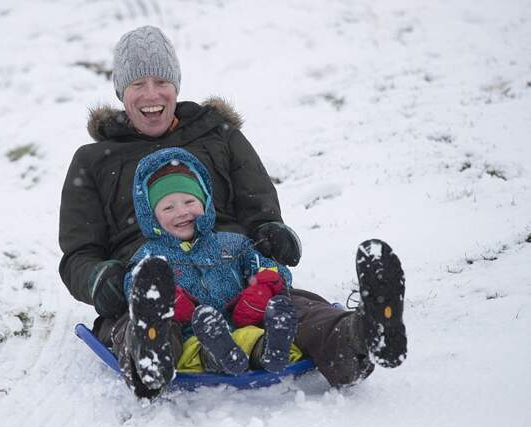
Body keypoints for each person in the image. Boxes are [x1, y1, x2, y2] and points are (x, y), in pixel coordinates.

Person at [58, 25, 407, 399]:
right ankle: (150, 357)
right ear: (119, 92)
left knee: (296, 310)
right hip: (155, 287)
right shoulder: (94, 160)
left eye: (161, 81)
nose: (151, 95)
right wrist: (100, 278)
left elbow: (260, 208)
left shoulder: (219, 136)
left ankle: (362, 336)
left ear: (176, 86)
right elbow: (79, 253)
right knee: (142, 325)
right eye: (137, 85)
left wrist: (272, 231)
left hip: (234, 272)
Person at [122, 147, 299, 389]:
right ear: (151, 216)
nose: (182, 212)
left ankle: (272, 350)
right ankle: (219, 356)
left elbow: (265, 265)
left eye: (189, 201)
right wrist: (164, 299)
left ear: (205, 202)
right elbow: (135, 284)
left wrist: (265, 286)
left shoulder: (231, 243)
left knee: (251, 338)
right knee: (195, 349)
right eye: (168, 208)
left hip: (240, 324)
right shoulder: (150, 256)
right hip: (190, 333)